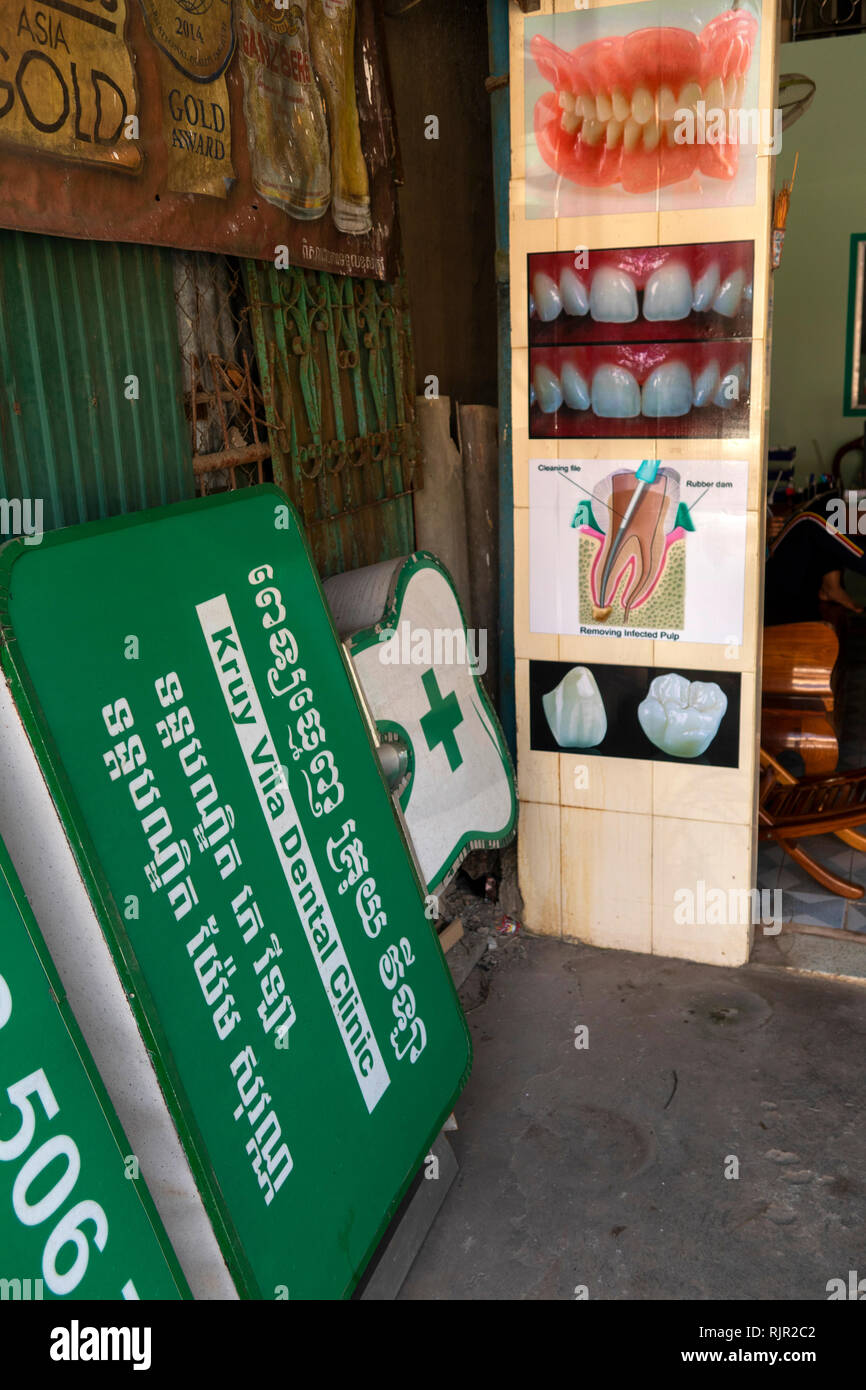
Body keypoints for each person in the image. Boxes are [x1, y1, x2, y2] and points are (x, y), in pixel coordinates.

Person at [764, 490, 866, 625]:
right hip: (762, 576)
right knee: (808, 521)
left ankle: (831, 587)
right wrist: (758, 531)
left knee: (829, 506)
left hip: (771, 550)